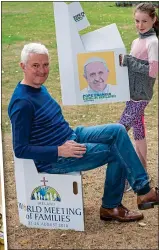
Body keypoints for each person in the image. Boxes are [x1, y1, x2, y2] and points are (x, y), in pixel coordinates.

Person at [8, 43, 159, 223]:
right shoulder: (22, 103)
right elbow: (20, 149)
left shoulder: (38, 87)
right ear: (23, 66)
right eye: (35, 66)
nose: (42, 70)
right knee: (117, 151)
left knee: (118, 131)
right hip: (55, 158)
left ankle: (140, 193)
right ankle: (115, 205)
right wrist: (59, 150)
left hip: (71, 135)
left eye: (45, 65)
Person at [119, 2, 159, 192]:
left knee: (118, 132)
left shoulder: (153, 42)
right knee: (139, 132)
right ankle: (142, 173)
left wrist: (128, 61)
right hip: (131, 93)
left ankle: (132, 175)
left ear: (153, 20)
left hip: (141, 95)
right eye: (137, 21)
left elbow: (152, 71)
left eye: (144, 21)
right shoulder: (136, 41)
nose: (140, 25)